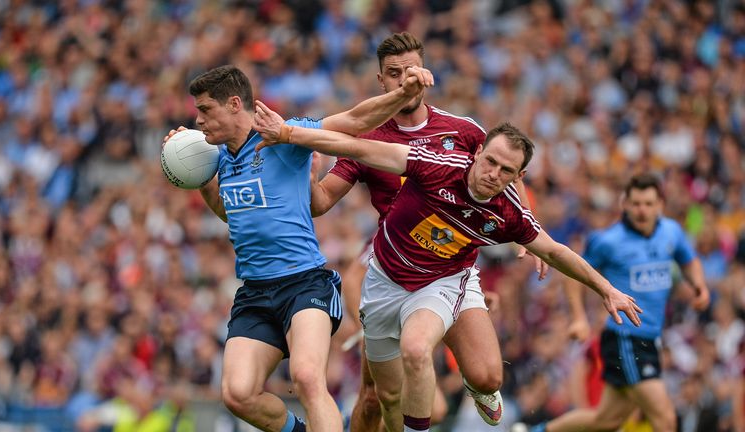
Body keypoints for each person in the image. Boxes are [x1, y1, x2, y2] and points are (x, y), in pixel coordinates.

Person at [252, 108, 644, 432]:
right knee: (388, 399)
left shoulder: (508, 214)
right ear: (477, 153)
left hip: (440, 284)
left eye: (506, 170)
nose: (493, 173)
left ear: (518, 177)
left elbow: (557, 252)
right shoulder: (434, 165)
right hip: (384, 283)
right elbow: (356, 146)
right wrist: (289, 134)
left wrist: (605, 289)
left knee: (419, 348)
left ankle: (466, 396)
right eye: (490, 161)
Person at [164, 64, 433, 432]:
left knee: (307, 377)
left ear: (233, 104)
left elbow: (353, 121)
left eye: (205, 110)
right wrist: (195, 174)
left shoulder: (282, 135)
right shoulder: (219, 158)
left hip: (304, 284)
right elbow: (229, 213)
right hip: (255, 293)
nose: (198, 121)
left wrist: (403, 95)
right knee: (237, 394)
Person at [309, 32, 548, 431]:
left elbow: (507, 170)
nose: (404, 80)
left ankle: (471, 376)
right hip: (396, 264)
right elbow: (320, 202)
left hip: (453, 267)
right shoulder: (367, 139)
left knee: (488, 375)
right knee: (374, 396)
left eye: (411, 70)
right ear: (381, 81)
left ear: (425, 72)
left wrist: (530, 230)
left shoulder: (463, 130)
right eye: (393, 73)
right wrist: (306, 168)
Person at [523, 173, 711, 432]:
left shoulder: (672, 232)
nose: (641, 210)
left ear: (660, 205)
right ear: (625, 204)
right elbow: (573, 275)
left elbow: (688, 259)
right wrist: (578, 317)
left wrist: (698, 285)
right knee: (665, 418)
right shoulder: (608, 241)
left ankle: (539, 431)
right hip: (625, 338)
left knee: (607, 420)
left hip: (651, 340)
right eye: (635, 203)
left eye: (648, 203)